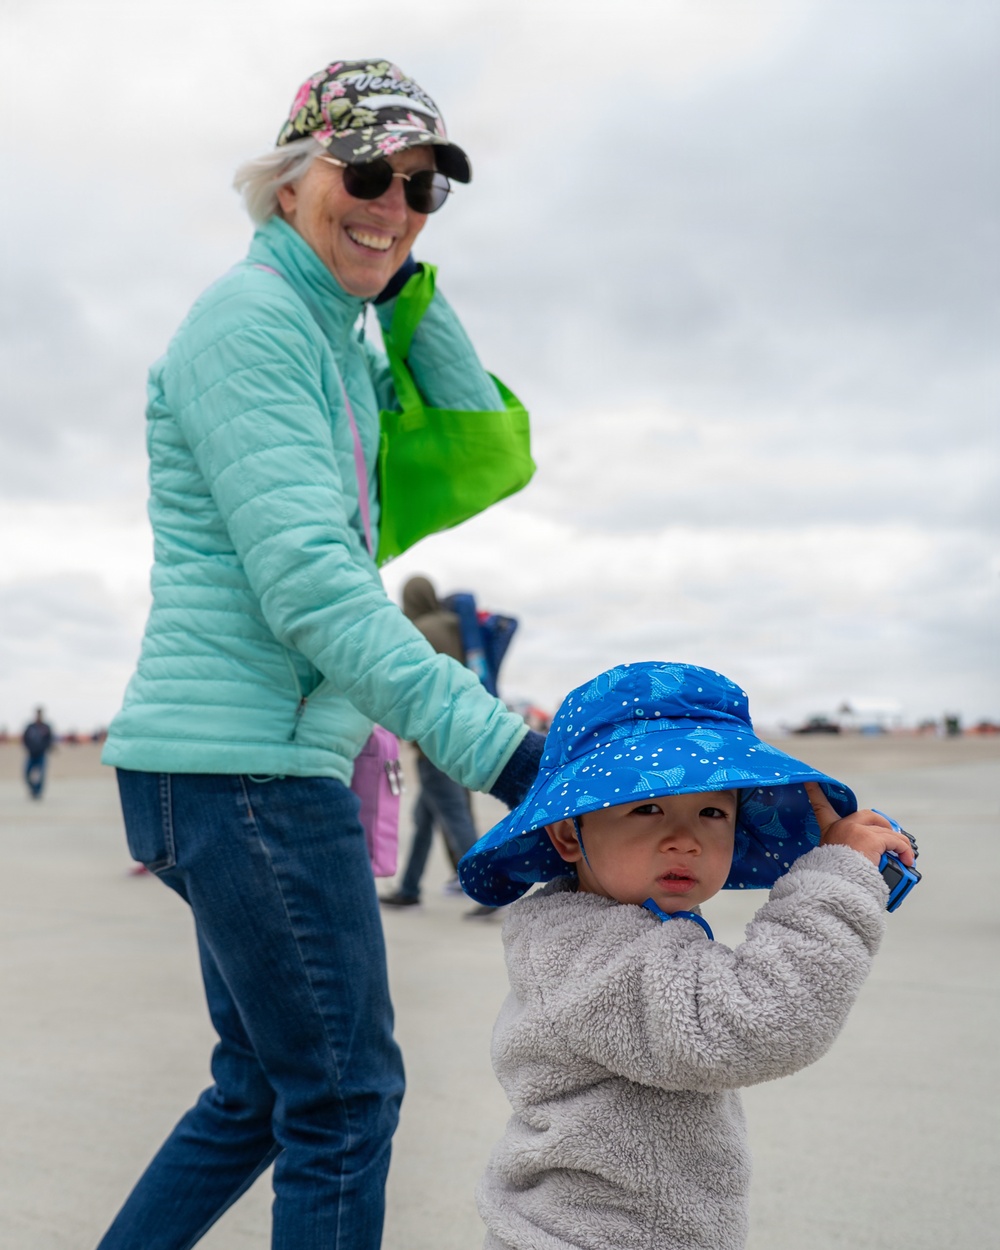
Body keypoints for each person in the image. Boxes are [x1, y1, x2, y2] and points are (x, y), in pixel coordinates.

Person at [97, 59, 544, 1250]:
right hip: (250, 770)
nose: (392, 203)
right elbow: (316, 593)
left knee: (258, 1092)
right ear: (290, 180)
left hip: (228, 765)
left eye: (422, 187)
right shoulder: (252, 328)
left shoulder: (329, 329)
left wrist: (397, 286)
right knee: (344, 1101)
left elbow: (476, 446)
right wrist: (512, 753)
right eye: (365, 174)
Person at [458, 661, 917, 1250]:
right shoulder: (580, 954)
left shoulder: (625, 923)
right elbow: (752, 1020)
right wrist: (838, 883)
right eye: (646, 807)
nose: (687, 838)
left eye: (712, 811)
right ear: (569, 835)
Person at [380, 576, 482, 908]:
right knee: (425, 820)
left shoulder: (419, 631)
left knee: (454, 816)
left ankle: (489, 887)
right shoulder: (456, 627)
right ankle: (409, 888)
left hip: (433, 740)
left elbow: (411, 689)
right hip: (463, 733)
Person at [22, 707, 54, 799]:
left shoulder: (46, 727)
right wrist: (28, 748)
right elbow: (25, 738)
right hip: (31, 754)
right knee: (26, 774)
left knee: (41, 774)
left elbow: (49, 739)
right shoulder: (30, 727)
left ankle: (38, 792)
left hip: (41, 754)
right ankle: (33, 789)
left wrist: (47, 748)